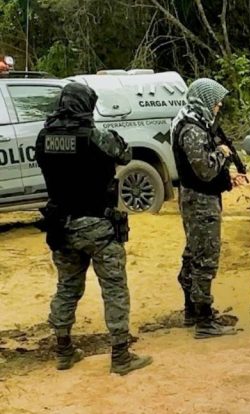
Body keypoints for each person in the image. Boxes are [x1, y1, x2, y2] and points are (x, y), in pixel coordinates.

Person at [36, 82, 152, 375]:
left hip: (61, 225)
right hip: (98, 226)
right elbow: (124, 154)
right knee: (114, 289)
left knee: (66, 287)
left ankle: (63, 350)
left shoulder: (44, 136)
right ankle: (121, 356)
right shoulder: (93, 136)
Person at [172, 78, 247, 339]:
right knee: (205, 257)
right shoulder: (192, 129)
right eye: (216, 102)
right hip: (200, 200)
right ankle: (203, 320)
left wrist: (227, 178)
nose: (218, 106)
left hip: (199, 197)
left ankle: (193, 310)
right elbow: (204, 169)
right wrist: (223, 153)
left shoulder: (195, 122)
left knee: (195, 251)